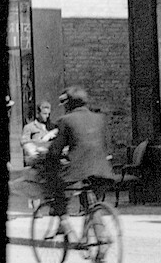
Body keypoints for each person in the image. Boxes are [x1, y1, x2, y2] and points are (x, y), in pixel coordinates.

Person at [42, 86, 118, 214]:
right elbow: (106, 146)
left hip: (78, 172)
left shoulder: (66, 120)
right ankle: (93, 223)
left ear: (69, 104)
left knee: (57, 188)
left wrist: (49, 160)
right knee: (92, 206)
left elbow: (55, 150)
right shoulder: (100, 118)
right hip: (103, 171)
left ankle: (63, 220)